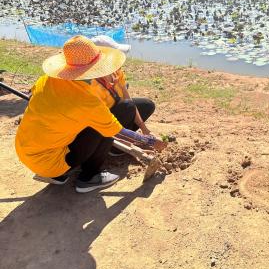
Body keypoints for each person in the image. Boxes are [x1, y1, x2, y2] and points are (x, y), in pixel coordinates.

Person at [15, 35, 166, 193]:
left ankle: (60, 173)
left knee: (99, 122)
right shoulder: (86, 100)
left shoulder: (46, 80)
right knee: (101, 127)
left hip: (26, 152)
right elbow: (117, 131)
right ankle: (88, 177)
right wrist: (149, 141)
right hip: (51, 162)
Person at [91, 35, 155, 155]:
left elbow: (127, 97)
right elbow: (100, 121)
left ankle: (126, 138)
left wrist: (144, 129)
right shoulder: (92, 83)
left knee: (147, 105)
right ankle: (114, 148)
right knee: (127, 106)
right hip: (102, 125)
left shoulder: (116, 71)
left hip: (117, 112)